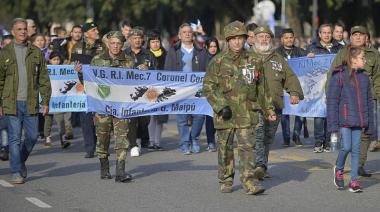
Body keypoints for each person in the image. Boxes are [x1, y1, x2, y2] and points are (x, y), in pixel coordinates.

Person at [203, 21, 276, 195]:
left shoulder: (254, 60)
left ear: (245, 39)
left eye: (240, 38)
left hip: (247, 112)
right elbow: (208, 87)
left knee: (247, 148)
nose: (237, 42)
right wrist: (221, 106)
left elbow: (262, 88)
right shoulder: (218, 61)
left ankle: (249, 181)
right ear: (227, 40)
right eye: (233, 38)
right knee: (225, 148)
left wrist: (269, 109)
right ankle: (226, 179)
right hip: (225, 114)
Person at [0, 18, 51, 184]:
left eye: (24, 29)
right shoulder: (5, 53)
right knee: (14, 138)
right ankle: (15, 171)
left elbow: (44, 78)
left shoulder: (35, 52)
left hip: (31, 102)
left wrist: (45, 101)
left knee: (33, 136)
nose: (22, 32)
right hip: (11, 103)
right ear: (13, 32)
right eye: (19, 29)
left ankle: (20, 160)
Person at [252, 26, 304, 178]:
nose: (264, 39)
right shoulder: (247, 56)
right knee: (258, 135)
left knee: (268, 138)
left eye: (267, 37)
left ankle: (262, 166)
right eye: (260, 36)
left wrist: (294, 92)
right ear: (254, 39)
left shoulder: (277, 58)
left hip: (275, 105)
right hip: (255, 105)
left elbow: (290, 76)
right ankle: (258, 165)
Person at [328, 26, 380, 177]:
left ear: (366, 38)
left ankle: (359, 166)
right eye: (354, 35)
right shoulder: (343, 53)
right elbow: (333, 73)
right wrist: (330, 95)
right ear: (350, 37)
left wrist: (375, 94)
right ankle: (341, 165)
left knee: (366, 133)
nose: (357, 37)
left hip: (368, 99)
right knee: (348, 141)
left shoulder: (374, 54)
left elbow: (378, 76)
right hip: (347, 100)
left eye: (361, 35)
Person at [91, 31, 134, 182]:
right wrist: (80, 74)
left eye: (118, 44)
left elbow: (134, 83)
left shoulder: (129, 61)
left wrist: (142, 72)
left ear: (122, 45)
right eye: (113, 43)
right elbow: (90, 82)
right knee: (102, 138)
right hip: (102, 106)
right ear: (108, 44)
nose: (115, 46)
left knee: (122, 138)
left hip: (121, 106)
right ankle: (104, 167)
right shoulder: (97, 60)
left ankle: (120, 171)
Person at [164, 23, 209, 154]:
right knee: (182, 119)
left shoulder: (201, 51)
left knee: (199, 116)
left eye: (189, 32)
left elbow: (207, 70)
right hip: (180, 91)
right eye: (184, 32)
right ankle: (184, 143)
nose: (187, 34)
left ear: (193, 35)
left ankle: (194, 139)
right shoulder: (173, 51)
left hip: (198, 91)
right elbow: (168, 70)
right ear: (179, 35)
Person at [306, 24, 343, 153]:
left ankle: (328, 142)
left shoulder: (340, 48)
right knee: (319, 115)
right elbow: (306, 68)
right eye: (324, 33)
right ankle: (318, 142)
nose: (326, 35)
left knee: (331, 114)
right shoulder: (312, 48)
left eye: (329, 33)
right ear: (319, 34)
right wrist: (308, 57)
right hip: (318, 87)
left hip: (334, 85)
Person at [71, 22, 103, 158]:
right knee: (86, 118)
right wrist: (75, 69)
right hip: (83, 86)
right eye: (93, 29)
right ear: (86, 34)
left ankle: (101, 144)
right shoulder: (77, 47)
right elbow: (73, 65)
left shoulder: (103, 46)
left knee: (101, 118)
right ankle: (90, 148)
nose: (96, 31)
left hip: (100, 86)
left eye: (96, 28)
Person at [124, 28, 157, 156]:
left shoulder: (149, 54)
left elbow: (157, 72)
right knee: (131, 119)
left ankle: (141, 138)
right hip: (129, 93)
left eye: (139, 38)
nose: (137, 40)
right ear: (129, 40)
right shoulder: (124, 54)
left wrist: (148, 69)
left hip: (145, 92)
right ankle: (133, 145)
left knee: (144, 120)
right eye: (134, 38)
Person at [275, 28, 309, 147]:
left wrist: (310, 57)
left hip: (298, 86)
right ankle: (286, 137)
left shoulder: (301, 52)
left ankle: (296, 135)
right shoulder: (276, 53)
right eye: (286, 37)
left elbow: (309, 66)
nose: (289, 40)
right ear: (281, 39)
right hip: (282, 87)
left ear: (294, 38)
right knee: (285, 113)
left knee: (299, 112)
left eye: (291, 37)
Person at [43, 51, 72, 148]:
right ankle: (47, 138)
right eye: (54, 59)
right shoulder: (46, 70)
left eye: (58, 59)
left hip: (58, 99)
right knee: (48, 119)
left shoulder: (63, 69)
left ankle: (63, 139)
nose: (56, 61)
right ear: (50, 60)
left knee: (60, 120)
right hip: (48, 98)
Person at [146, 30, 167, 151]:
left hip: (163, 89)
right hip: (149, 90)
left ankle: (158, 142)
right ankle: (150, 141)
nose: (155, 44)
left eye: (157, 41)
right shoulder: (146, 55)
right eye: (153, 42)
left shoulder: (165, 54)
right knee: (151, 117)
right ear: (149, 43)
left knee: (161, 117)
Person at [204, 37, 220, 152]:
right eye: (211, 47)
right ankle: (210, 141)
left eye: (215, 46)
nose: (213, 49)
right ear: (206, 47)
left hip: (220, 93)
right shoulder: (202, 59)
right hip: (207, 93)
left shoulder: (222, 58)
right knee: (209, 118)